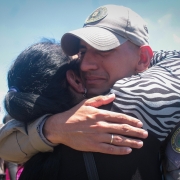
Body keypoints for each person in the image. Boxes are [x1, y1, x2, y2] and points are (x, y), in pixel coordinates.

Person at [0, 6, 180, 178]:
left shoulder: (131, 97)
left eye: (104, 50)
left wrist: (53, 127)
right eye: (83, 52)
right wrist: (54, 127)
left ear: (142, 58)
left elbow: (6, 144)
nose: (84, 65)